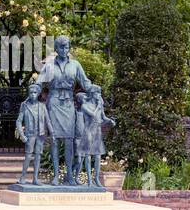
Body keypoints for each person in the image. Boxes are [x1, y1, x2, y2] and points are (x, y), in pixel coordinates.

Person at [34, 35, 95, 185]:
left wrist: (95, 91)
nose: (64, 49)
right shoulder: (49, 66)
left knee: (69, 141)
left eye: (66, 46)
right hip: (53, 102)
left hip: (68, 104)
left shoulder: (75, 65)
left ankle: (69, 176)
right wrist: (33, 93)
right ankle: (55, 176)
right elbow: (39, 83)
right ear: (56, 48)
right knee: (55, 141)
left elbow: (86, 83)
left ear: (69, 48)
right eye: (61, 47)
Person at [14, 81, 50, 184]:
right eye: (31, 92)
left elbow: (48, 121)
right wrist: (22, 135)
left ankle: (35, 179)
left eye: (35, 92)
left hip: (40, 135)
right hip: (30, 134)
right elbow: (18, 121)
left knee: (38, 156)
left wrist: (53, 133)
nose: (32, 94)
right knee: (28, 156)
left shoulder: (42, 106)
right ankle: (23, 177)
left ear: (38, 93)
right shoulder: (24, 106)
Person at [79, 85, 115, 187]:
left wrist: (110, 121)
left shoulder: (100, 105)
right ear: (91, 94)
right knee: (88, 156)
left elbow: (103, 117)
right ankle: (89, 180)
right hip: (88, 132)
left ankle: (96, 179)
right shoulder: (85, 105)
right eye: (97, 93)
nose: (99, 95)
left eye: (99, 93)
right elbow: (93, 115)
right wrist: (98, 107)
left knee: (98, 156)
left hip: (97, 131)